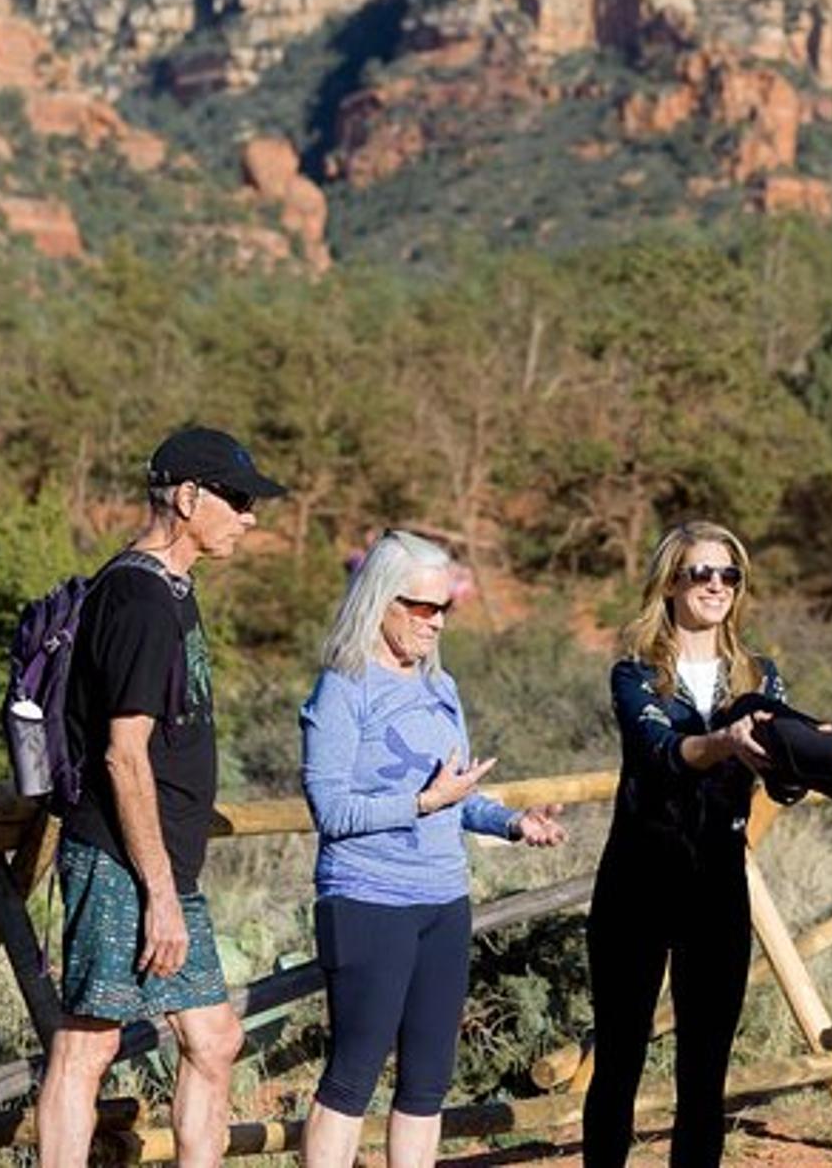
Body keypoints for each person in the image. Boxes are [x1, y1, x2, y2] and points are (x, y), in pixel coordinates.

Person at [38, 426, 288, 1168]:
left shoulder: (170, 589)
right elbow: (123, 755)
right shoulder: (139, 597)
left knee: (214, 1038)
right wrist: (160, 892)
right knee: (89, 1041)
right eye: (238, 499)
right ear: (187, 496)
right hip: (123, 861)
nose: (250, 516)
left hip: (159, 866)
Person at [299, 530, 566, 1168]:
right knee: (352, 1077)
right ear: (378, 601)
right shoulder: (342, 688)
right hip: (367, 900)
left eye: (445, 607)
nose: (436, 621)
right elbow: (330, 811)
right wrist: (419, 805)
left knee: (427, 1081)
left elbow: (457, 793)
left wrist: (511, 822)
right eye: (421, 607)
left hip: (444, 900)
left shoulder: (439, 687)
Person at [583, 521, 778, 1168]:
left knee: (705, 1071)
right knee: (619, 1057)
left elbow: (781, 773)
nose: (717, 585)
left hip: (717, 887)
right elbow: (665, 753)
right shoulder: (634, 674)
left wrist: (824, 759)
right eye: (702, 572)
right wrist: (726, 742)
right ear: (670, 581)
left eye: (730, 574)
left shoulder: (760, 676)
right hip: (635, 885)